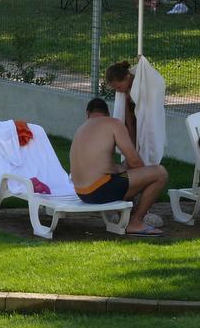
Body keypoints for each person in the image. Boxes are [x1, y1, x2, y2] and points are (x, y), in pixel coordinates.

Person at [70, 98, 169, 236]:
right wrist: (143, 177)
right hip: (101, 190)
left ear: (87, 113)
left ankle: (125, 217)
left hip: (82, 193)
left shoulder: (81, 129)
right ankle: (136, 222)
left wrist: (125, 171)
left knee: (124, 171)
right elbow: (134, 161)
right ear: (108, 113)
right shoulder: (113, 123)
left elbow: (100, 166)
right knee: (159, 173)